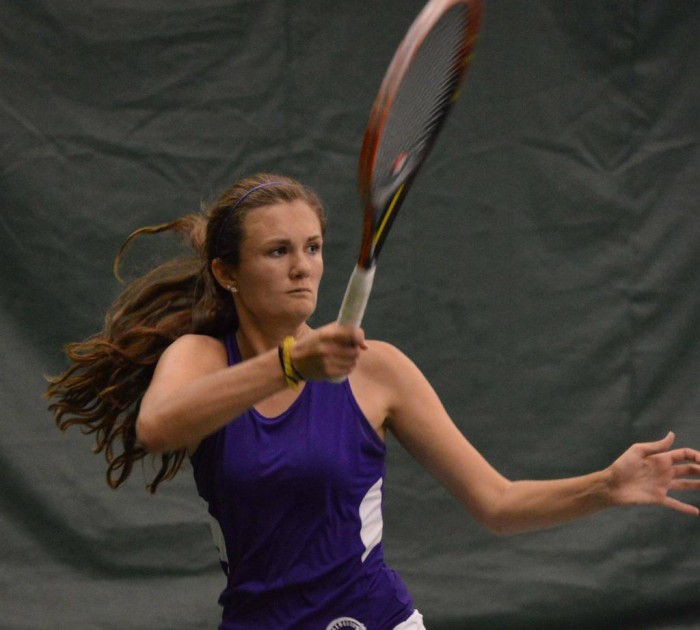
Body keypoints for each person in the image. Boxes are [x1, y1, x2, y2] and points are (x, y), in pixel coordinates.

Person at [47, 172, 700, 630]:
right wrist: (288, 364)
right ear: (227, 273)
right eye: (277, 251)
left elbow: (497, 504)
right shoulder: (199, 357)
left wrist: (605, 486)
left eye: (313, 248)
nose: (303, 267)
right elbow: (158, 426)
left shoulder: (378, 370)